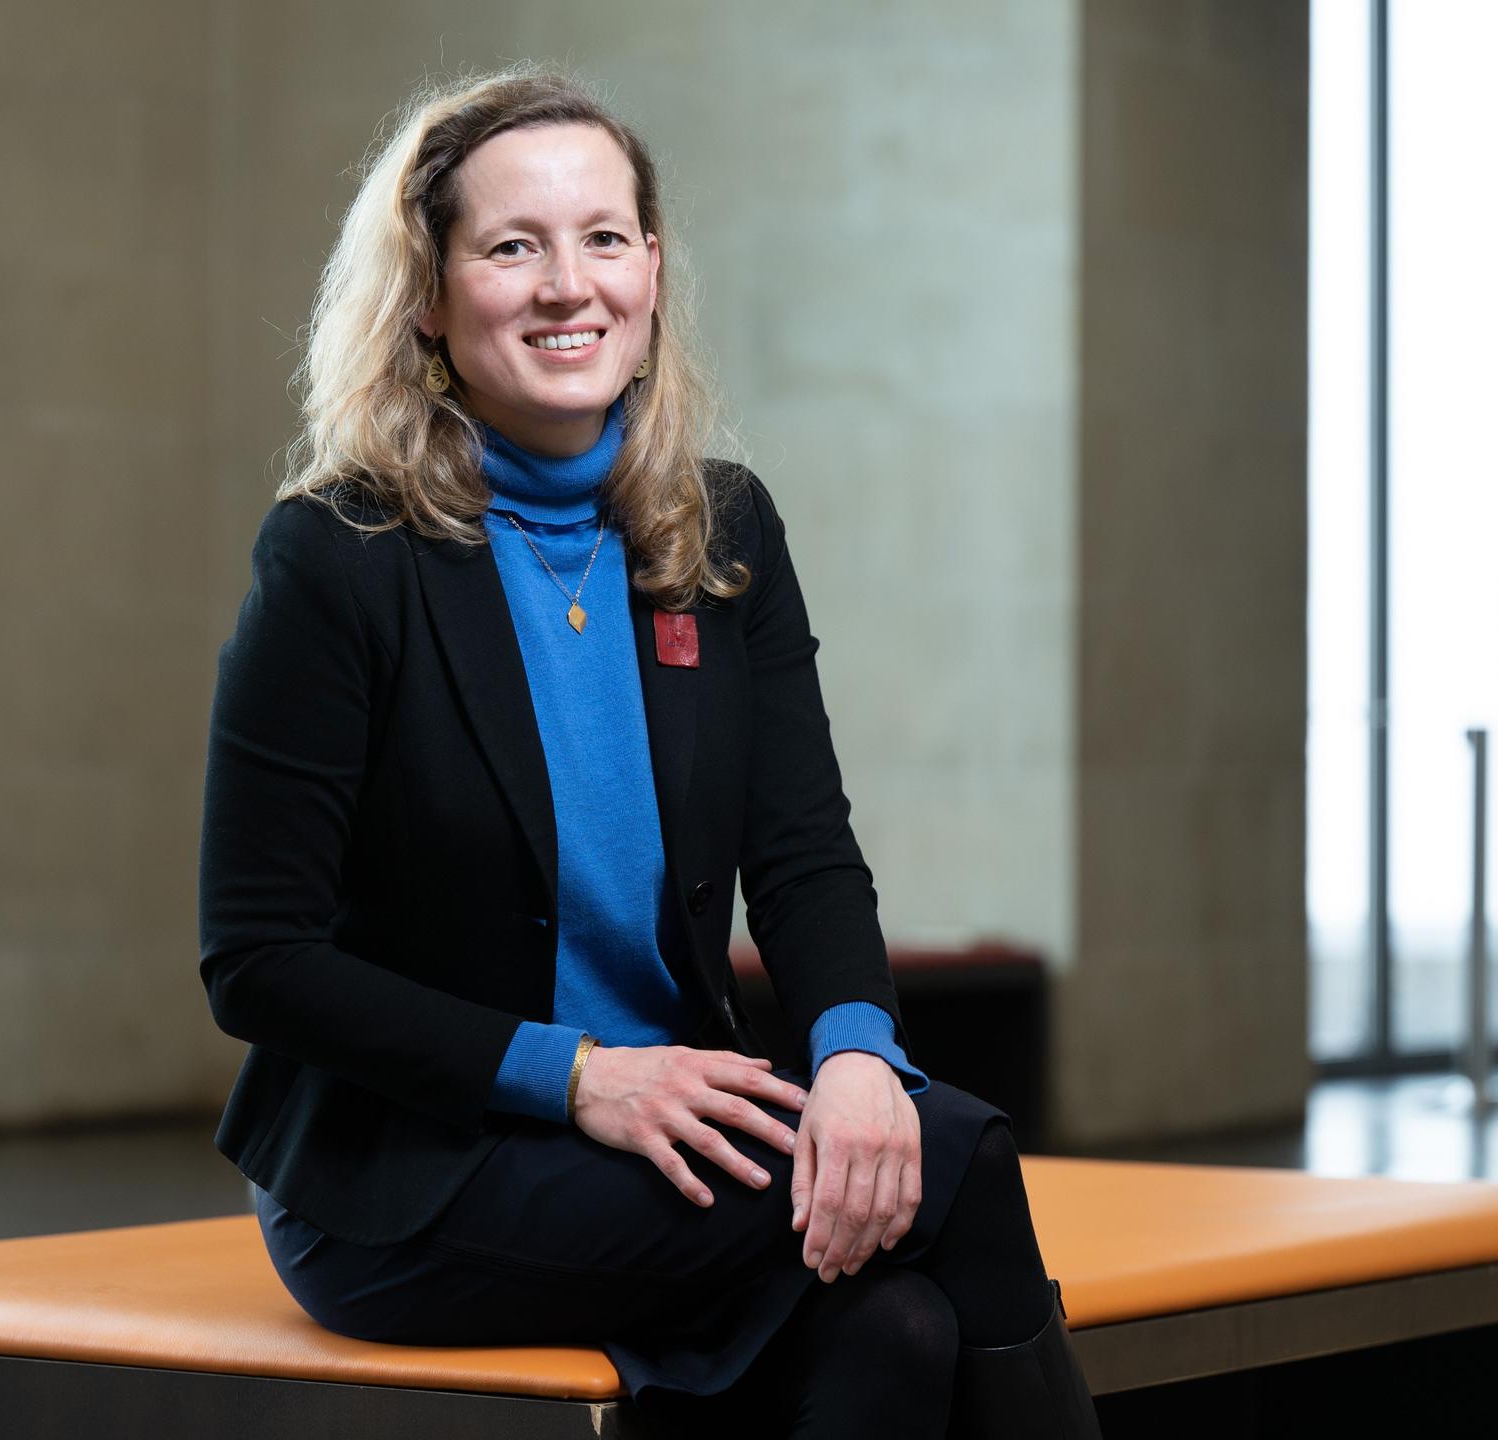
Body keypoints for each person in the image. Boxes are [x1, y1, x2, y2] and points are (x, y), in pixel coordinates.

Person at [197, 66, 1101, 1437]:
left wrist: (858, 1057)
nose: (570, 285)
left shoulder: (725, 530)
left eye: (604, 238)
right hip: (419, 1171)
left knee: (896, 1329)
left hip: (674, 1128)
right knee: (960, 1161)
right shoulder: (338, 556)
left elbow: (801, 850)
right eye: (514, 247)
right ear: (430, 298)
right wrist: (576, 1076)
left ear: (653, 268)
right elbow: (259, 960)